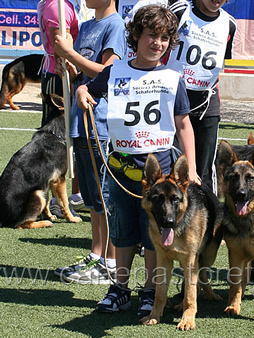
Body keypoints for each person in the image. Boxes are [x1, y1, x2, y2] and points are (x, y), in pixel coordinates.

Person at [76, 4, 198, 318]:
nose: (156, 43)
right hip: (120, 170)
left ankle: (150, 291)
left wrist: (193, 168)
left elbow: (184, 124)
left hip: (160, 173)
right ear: (135, 36)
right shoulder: (115, 71)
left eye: (163, 38)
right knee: (123, 231)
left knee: (155, 235)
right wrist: (82, 93)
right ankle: (119, 289)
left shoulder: (173, 77)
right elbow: (87, 89)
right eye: (150, 35)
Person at [52, 0, 126, 284]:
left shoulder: (115, 26)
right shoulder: (86, 27)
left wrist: (71, 52)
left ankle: (109, 260)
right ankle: (96, 255)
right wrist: (68, 66)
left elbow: (109, 72)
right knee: (93, 199)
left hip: (101, 120)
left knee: (105, 196)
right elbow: (82, 73)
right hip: (80, 120)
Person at [166, 0, 236, 193]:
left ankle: (207, 217)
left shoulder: (230, 23)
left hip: (207, 103)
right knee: (172, 161)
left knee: (204, 168)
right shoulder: (181, 10)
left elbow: (221, 61)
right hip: (172, 98)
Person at [37, 0, 94, 218]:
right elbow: (58, 46)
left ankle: (63, 197)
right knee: (55, 141)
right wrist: (69, 76)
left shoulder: (71, 5)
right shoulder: (56, 5)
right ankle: (52, 200)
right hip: (58, 76)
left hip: (69, 75)